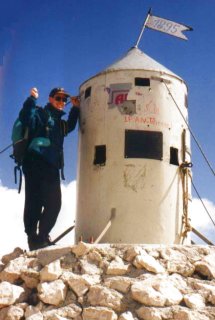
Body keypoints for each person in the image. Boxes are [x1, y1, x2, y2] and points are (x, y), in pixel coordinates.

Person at [19, 87, 80, 250]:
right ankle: (34, 238)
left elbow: (70, 127)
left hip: (51, 165)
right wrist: (31, 99)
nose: (61, 102)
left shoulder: (60, 123)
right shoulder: (40, 114)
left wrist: (75, 108)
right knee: (34, 201)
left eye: (64, 100)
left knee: (54, 203)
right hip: (35, 162)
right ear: (50, 99)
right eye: (58, 98)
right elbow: (26, 118)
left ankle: (41, 236)